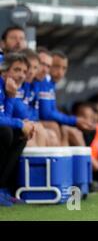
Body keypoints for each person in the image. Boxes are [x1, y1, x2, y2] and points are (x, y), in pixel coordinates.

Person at [0, 53, 37, 206]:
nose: (22, 75)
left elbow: (5, 116)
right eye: (17, 70)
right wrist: (21, 124)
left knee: (19, 135)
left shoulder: (7, 89)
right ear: (3, 72)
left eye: (24, 71)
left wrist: (11, 96)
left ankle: (1, 189)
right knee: (6, 132)